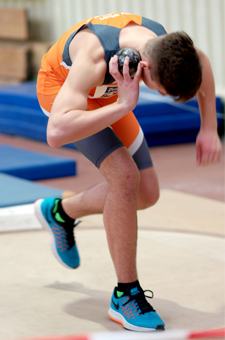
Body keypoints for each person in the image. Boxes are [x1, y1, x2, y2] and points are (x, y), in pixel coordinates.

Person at [34, 12, 222, 332]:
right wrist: (122, 105)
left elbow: (200, 61)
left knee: (147, 193)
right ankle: (125, 294)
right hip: (64, 93)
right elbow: (56, 131)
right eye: (161, 89)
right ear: (145, 68)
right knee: (125, 177)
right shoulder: (94, 55)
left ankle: (60, 213)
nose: (161, 95)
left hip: (108, 92)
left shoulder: (166, 44)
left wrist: (208, 126)